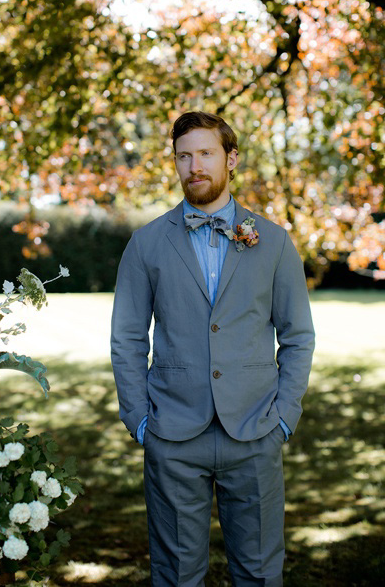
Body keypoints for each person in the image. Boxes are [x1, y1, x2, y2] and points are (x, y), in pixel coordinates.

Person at [110, 111, 315, 586]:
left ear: (231, 158)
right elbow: (127, 337)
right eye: (184, 156)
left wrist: (284, 417)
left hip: (256, 429)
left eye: (205, 153)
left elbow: (298, 336)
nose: (194, 166)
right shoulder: (146, 244)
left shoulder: (275, 243)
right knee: (176, 575)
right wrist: (140, 419)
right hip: (173, 433)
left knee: (260, 573)